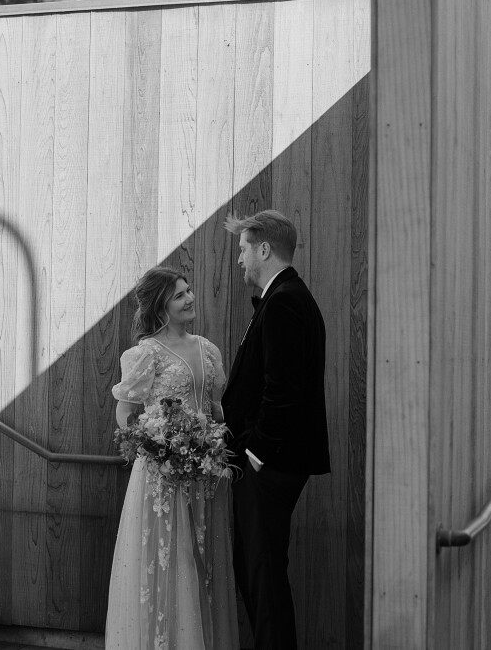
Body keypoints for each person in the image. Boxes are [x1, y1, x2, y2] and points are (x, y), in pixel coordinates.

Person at [105, 266, 239, 650]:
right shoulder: (145, 354)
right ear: (161, 306)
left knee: (204, 562)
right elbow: (125, 414)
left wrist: (214, 439)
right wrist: (158, 439)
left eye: (189, 290)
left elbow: (215, 408)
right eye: (179, 295)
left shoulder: (206, 349)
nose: (190, 298)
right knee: (171, 560)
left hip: (205, 473)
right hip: (162, 477)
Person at [222, 210, 330, 649]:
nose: (240, 260)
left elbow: (282, 390)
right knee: (258, 574)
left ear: (264, 249)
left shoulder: (284, 300)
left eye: (244, 249)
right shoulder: (283, 296)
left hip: (269, 465)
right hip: (270, 463)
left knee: (263, 578)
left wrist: (255, 453)